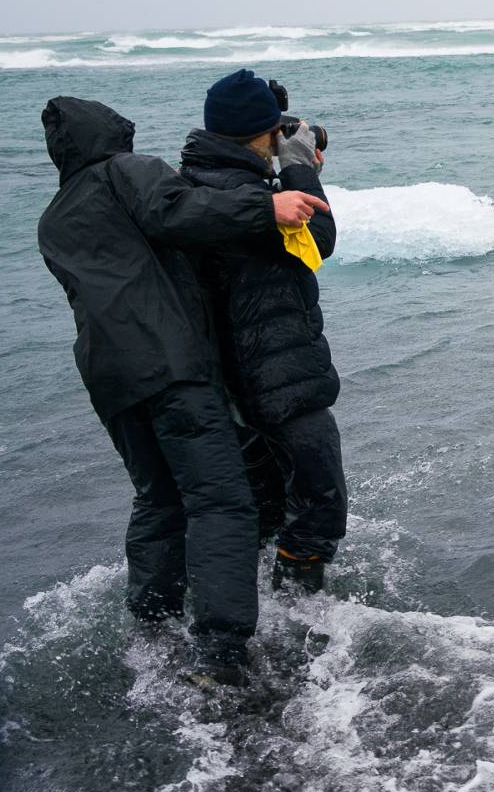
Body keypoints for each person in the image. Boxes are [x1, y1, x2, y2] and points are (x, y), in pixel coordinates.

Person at [36, 97, 328, 684]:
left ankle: (152, 626)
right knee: (221, 502)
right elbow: (180, 212)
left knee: (159, 498)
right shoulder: (128, 170)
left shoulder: (55, 216)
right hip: (172, 366)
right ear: (110, 133)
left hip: (109, 377)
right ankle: (219, 654)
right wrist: (266, 205)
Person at [180, 70, 347, 593]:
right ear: (262, 135)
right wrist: (298, 168)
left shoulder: (200, 185)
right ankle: (301, 611)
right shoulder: (252, 200)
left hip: (230, 378)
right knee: (320, 499)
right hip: (277, 373)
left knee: (268, 497)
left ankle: (249, 606)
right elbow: (319, 240)